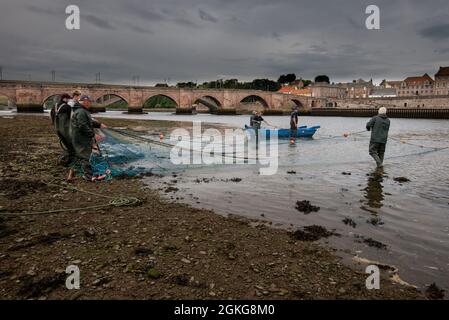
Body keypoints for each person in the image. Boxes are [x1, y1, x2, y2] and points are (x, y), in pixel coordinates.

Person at [71, 95, 106, 181]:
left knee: (82, 154)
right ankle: (88, 176)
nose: (90, 103)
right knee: (85, 155)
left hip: (83, 137)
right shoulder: (81, 111)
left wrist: (99, 124)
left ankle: (75, 170)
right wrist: (93, 134)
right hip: (81, 137)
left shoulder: (83, 110)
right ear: (84, 101)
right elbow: (82, 125)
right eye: (89, 102)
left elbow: (88, 122)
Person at [50, 94, 75, 166]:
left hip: (57, 128)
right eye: (68, 99)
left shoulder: (54, 106)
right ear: (65, 99)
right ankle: (71, 160)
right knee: (70, 144)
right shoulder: (67, 107)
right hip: (65, 129)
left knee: (64, 143)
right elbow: (71, 118)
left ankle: (67, 157)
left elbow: (51, 116)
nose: (69, 100)